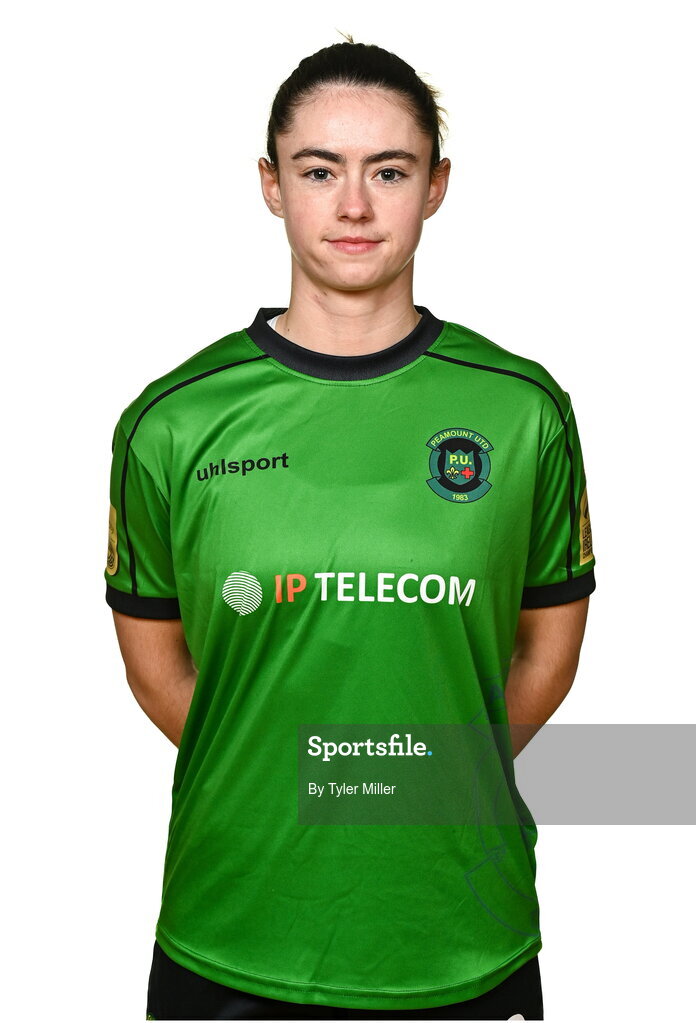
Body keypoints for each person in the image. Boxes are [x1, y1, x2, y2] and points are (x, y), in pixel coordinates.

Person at [105, 35, 595, 1021]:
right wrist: (284, 781)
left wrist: (416, 782)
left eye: (390, 170)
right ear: (271, 185)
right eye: (320, 170)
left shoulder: (522, 410)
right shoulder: (174, 420)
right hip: (234, 930)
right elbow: (159, 668)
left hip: (460, 933)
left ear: (437, 185)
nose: (356, 205)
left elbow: (546, 649)